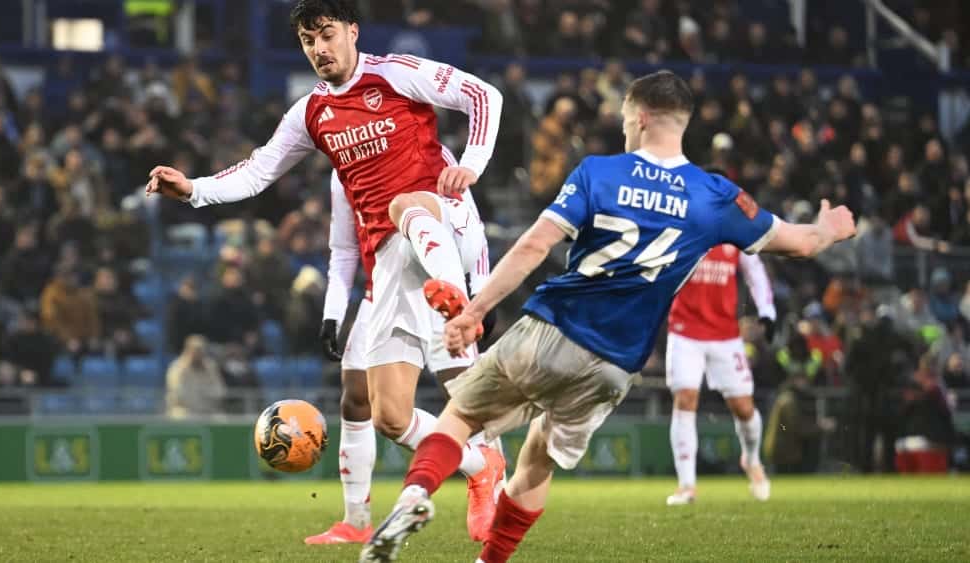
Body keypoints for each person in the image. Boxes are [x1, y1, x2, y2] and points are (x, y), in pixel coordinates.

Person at [361, 70, 855, 563]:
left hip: (554, 327)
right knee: (538, 459)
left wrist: (474, 311)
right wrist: (829, 228)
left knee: (462, 416)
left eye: (624, 120)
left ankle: (414, 496)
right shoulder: (715, 195)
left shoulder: (599, 173)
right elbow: (801, 243)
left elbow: (535, 245)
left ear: (640, 118)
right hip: (615, 366)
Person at [145, 0, 506, 540]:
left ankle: (456, 298)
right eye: (308, 41)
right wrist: (194, 189)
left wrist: (472, 166)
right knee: (389, 416)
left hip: (441, 226)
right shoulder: (312, 114)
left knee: (408, 208)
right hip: (389, 263)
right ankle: (480, 468)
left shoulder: (396, 73)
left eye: (327, 35)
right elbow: (258, 171)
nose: (319, 49)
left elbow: (483, 95)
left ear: (353, 32)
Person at [306, 169, 498, 545]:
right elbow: (344, 247)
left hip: (439, 278)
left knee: (469, 399)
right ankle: (358, 519)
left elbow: (470, 218)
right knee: (375, 408)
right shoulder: (342, 165)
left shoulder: (426, 149)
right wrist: (333, 312)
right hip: (384, 284)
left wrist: (479, 290)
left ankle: (497, 499)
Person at [665, 241, 776, 505]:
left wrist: (767, 310)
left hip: (725, 334)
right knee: (685, 399)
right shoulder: (682, 222)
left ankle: (752, 459)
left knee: (743, 408)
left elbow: (754, 268)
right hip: (684, 330)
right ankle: (687, 486)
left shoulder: (734, 226)